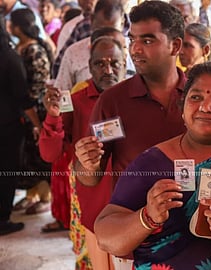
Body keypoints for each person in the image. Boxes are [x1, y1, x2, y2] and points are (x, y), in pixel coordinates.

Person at [94, 61, 211, 269]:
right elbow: (106, 238)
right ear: (183, 110)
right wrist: (147, 217)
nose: (206, 107)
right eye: (196, 97)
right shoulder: (151, 164)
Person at [74, 2, 187, 267]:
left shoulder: (198, 96)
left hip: (197, 238)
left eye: (147, 40)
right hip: (136, 242)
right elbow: (91, 176)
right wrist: (87, 163)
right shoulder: (113, 101)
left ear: (175, 46)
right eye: (132, 39)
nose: (135, 49)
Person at [40, 35, 126, 269]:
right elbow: (49, 154)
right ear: (89, 67)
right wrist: (53, 116)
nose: (108, 69)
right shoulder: (75, 101)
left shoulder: (135, 98)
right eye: (100, 63)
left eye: (114, 63)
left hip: (130, 197)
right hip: (91, 198)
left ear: (124, 63)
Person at [10, 7, 54, 215]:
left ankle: (45, 196)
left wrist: (33, 116)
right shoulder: (20, 46)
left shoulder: (35, 50)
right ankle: (32, 194)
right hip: (24, 110)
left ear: (19, 27)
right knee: (27, 156)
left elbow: (39, 83)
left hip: (36, 112)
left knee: (39, 156)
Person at [0, 13, 41, 236]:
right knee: (7, 171)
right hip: (6, 126)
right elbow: (22, 97)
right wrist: (38, 124)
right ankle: (3, 220)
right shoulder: (8, 57)